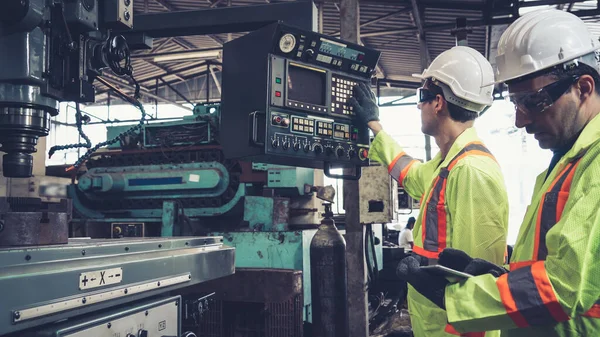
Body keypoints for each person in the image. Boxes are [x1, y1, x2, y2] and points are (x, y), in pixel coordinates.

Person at [397, 8, 600, 337]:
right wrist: (502, 276)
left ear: (583, 88)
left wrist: (459, 300)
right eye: (516, 103)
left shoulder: (595, 164)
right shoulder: (568, 162)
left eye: (533, 102)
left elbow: (565, 286)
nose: (521, 120)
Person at [350, 45, 509, 337]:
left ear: (438, 102)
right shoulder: (448, 164)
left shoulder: (471, 171)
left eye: (420, 97)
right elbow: (410, 174)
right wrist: (376, 127)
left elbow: (478, 286)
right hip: (433, 325)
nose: (418, 106)